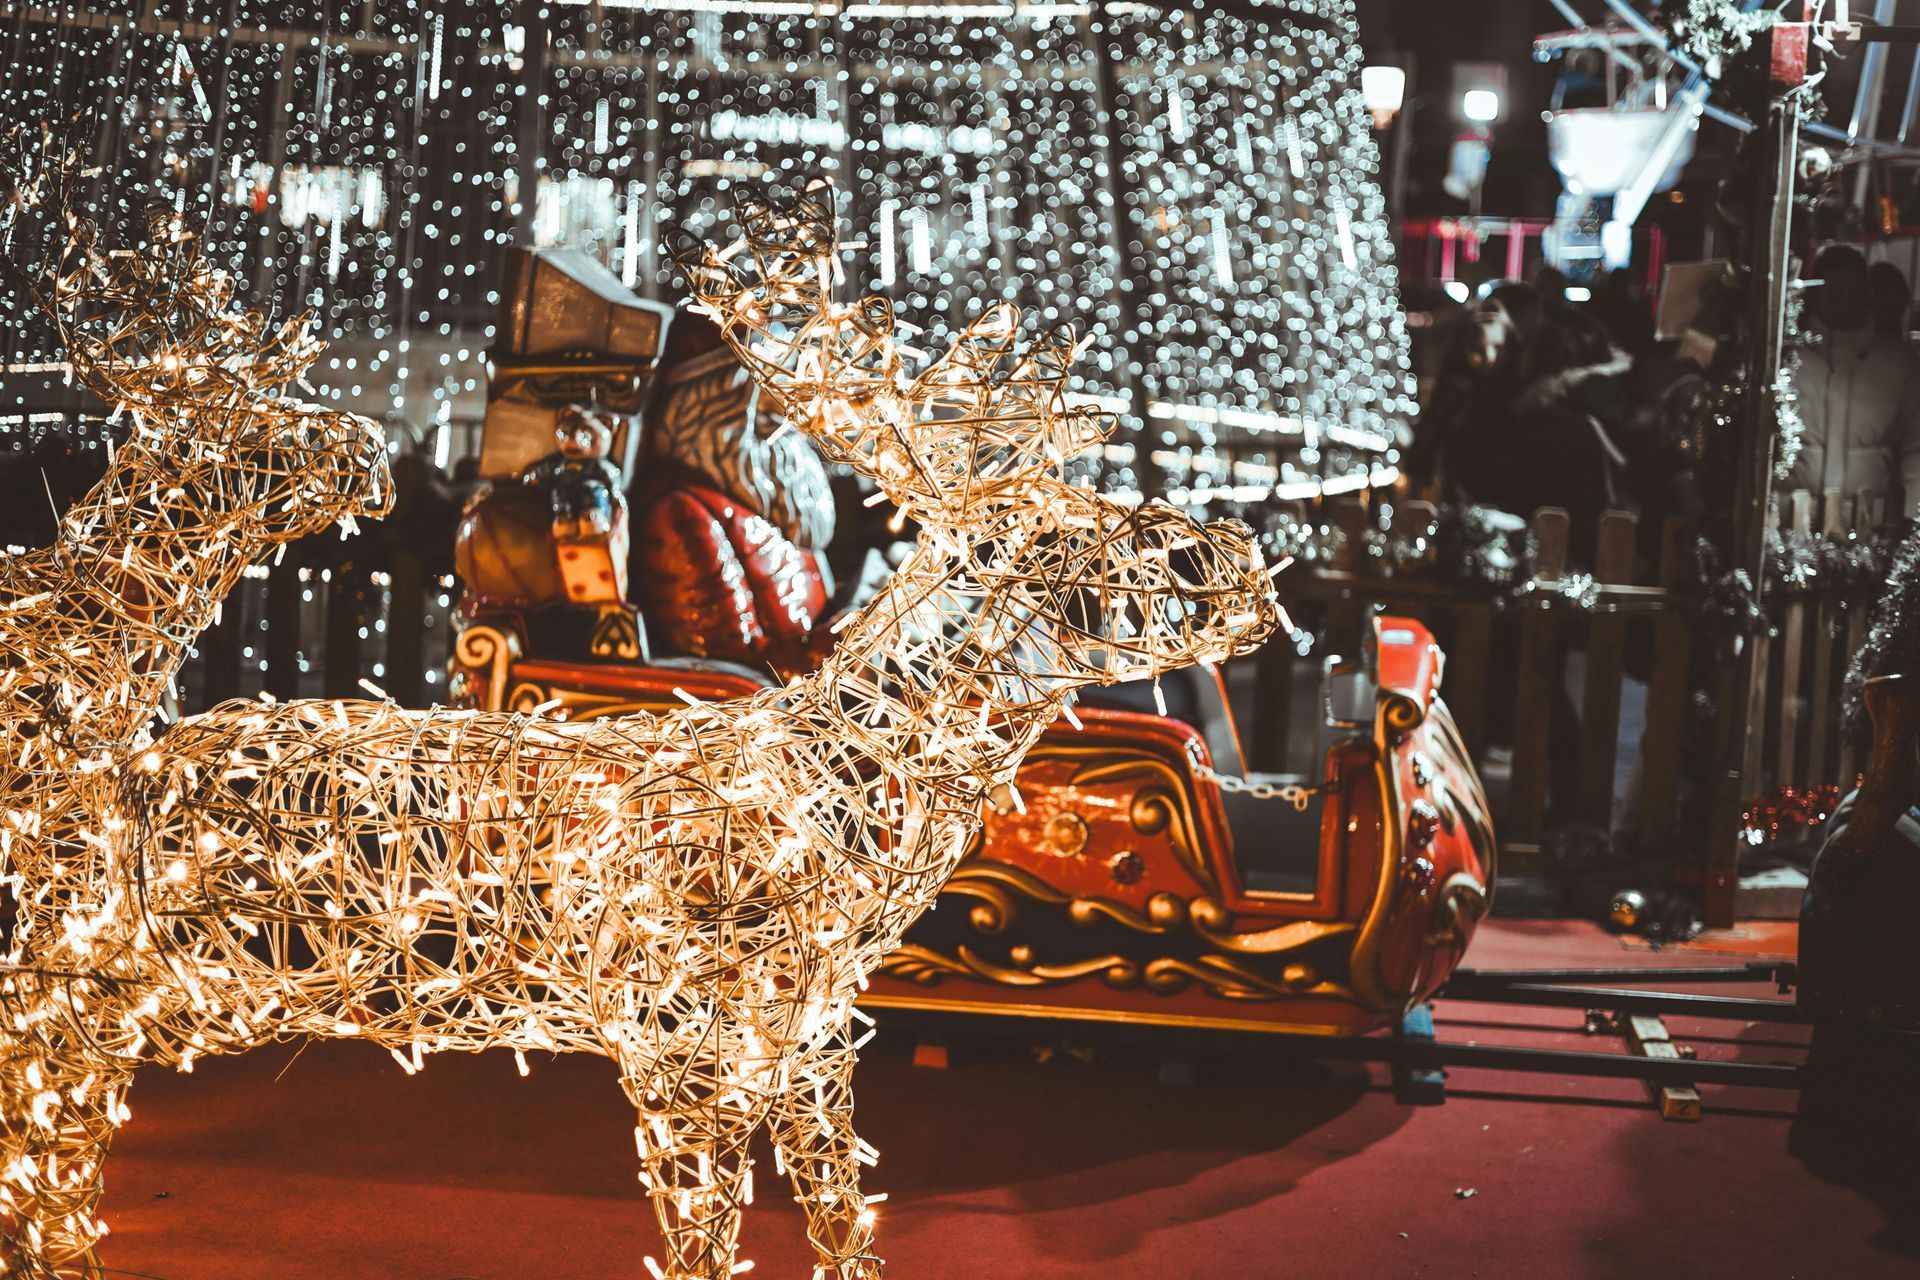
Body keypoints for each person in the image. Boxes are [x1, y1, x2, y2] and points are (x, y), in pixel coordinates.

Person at [1791, 244, 1920, 519]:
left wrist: (1913, 523)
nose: (1845, 307)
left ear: (1867, 296)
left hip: (1870, 530)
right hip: (1794, 528)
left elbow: (1915, 449)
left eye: (1854, 295)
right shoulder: (1788, 358)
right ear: (1816, 297)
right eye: (1835, 297)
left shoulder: (1897, 363)